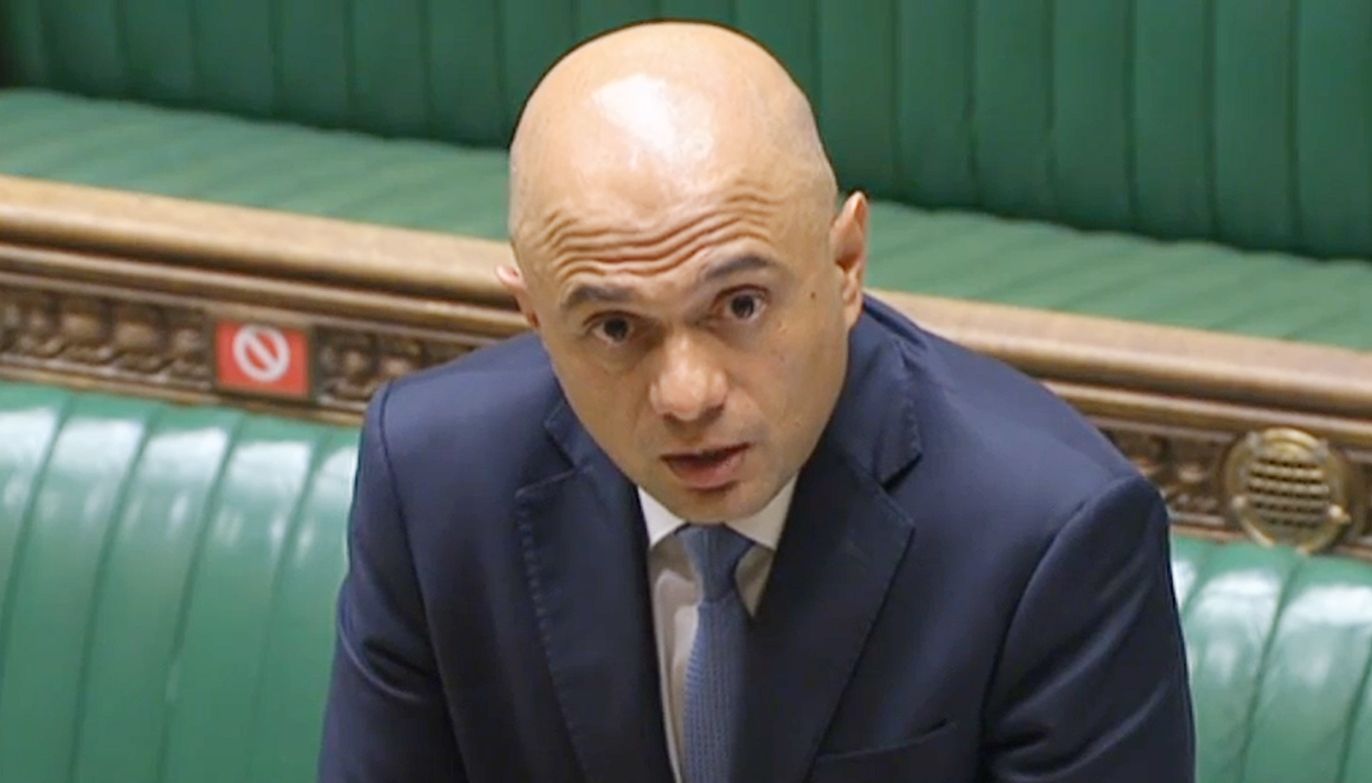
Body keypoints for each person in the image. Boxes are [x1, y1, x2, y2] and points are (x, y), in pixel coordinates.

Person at [318, 21, 1194, 783]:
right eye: (615, 327)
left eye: (740, 305)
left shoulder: (1051, 537)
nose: (687, 394)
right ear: (535, 316)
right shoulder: (433, 482)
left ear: (845, 264)